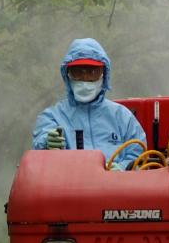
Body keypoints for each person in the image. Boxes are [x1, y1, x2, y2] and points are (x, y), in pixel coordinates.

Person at [32, 38, 147, 169]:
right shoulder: (52, 117)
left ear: (104, 75)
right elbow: (40, 145)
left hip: (117, 188)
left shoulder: (122, 116)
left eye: (92, 72)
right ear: (67, 75)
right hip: (69, 188)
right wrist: (46, 143)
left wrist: (123, 169)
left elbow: (138, 155)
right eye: (77, 72)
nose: (85, 80)